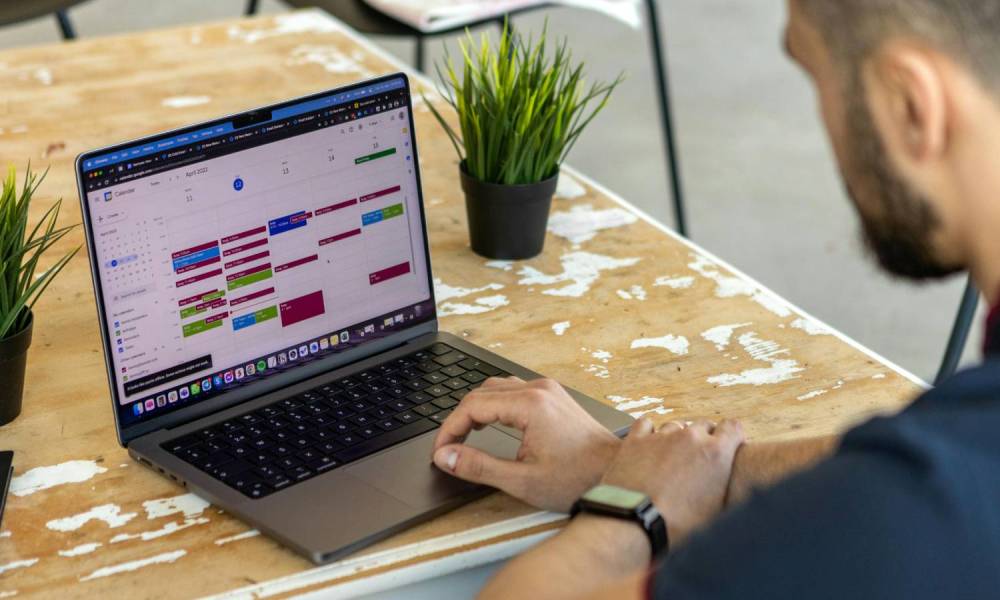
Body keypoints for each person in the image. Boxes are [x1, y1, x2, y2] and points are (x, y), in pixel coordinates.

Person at [430, 0, 1000, 597]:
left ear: (911, 106)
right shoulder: (954, 452)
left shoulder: (904, 516)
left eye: (815, 73)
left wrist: (628, 507)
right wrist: (636, 465)